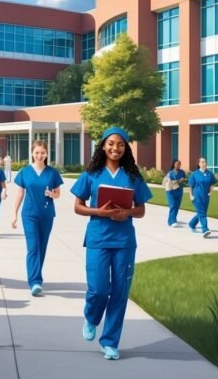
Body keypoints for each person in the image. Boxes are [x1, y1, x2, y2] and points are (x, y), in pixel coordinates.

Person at [70, 126, 152, 361]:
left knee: (119, 292)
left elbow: (141, 210)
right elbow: (77, 206)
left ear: (126, 148)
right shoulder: (91, 174)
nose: (115, 148)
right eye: (111, 144)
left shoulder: (133, 177)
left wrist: (128, 212)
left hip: (124, 241)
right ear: (103, 146)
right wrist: (100, 211)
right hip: (98, 237)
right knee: (98, 289)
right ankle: (92, 316)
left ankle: (110, 342)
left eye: (121, 145)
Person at [11, 140, 63, 296]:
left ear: (47, 154)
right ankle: (35, 281)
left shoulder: (52, 173)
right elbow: (19, 193)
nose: (40, 155)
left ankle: (36, 277)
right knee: (33, 247)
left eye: (42, 152)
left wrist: (51, 194)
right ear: (32, 153)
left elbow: (58, 193)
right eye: (37, 152)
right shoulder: (25, 172)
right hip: (29, 214)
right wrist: (14, 213)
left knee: (42, 247)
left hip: (47, 215)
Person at [188, 157, 217, 237]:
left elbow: (212, 183)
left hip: (206, 196)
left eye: (205, 162)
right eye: (202, 162)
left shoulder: (209, 174)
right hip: (197, 196)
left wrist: (210, 192)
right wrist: (191, 195)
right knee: (202, 213)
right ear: (199, 164)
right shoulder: (195, 174)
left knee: (202, 213)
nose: (204, 163)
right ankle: (205, 229)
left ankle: (191, 224)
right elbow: (191, 186)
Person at [165, 159, 186, 227]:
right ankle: (172, 222)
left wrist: (184, 181)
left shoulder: (182, 172)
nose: (179, 165)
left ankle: (171, 220)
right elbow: (168, 182)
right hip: (170, 191)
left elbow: (184, 180)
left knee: (177, 206)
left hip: (179, 191)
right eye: (177, 164)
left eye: (180, 164)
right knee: (173, 205)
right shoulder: (170, 173)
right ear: (174, 164)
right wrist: (179, 180)